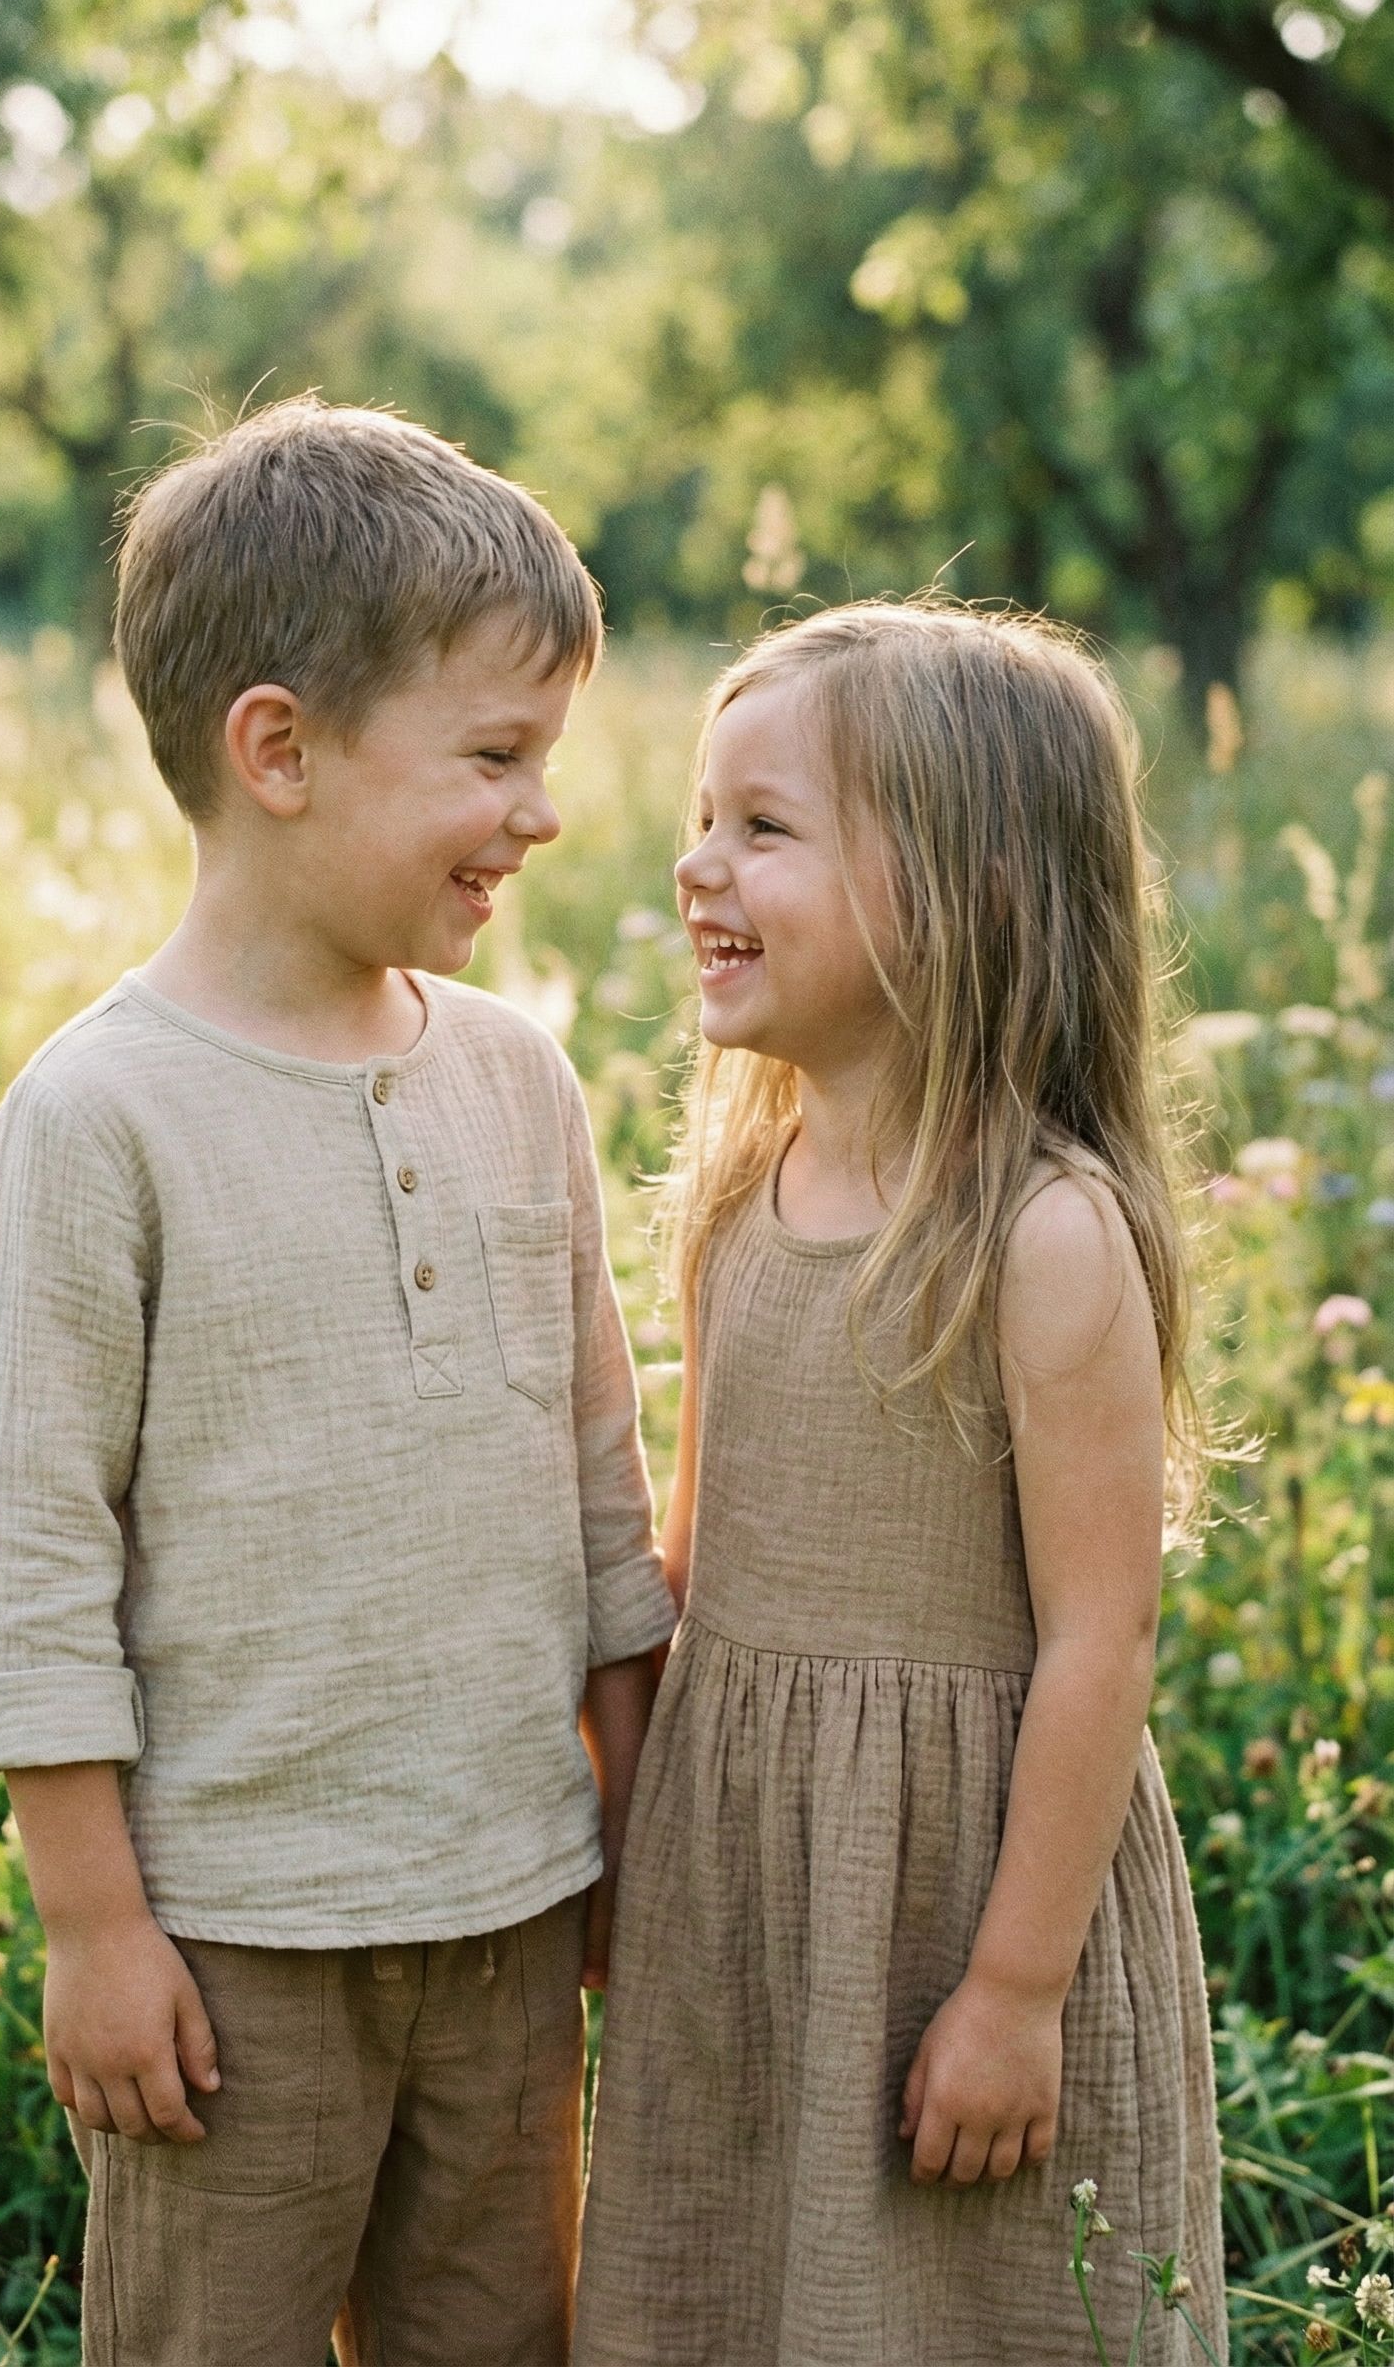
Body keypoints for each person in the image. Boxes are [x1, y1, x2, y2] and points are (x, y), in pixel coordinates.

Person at [0, 396, 675, 2367]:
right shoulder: (101, 1117)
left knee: (496, 2333)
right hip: (233, 1941)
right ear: (276, 747)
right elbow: (27, 1558)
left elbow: (603, 1489)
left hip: (515, 1903)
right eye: (496, 754)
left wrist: (626, 1817)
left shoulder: (518, 1076)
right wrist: (97, 1925)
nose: (540, 812)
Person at [574, 599, 1227, 2367]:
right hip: (749, 1884)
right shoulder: (736, 1201)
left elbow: (1103, 1634)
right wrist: (635, 1854)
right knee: (727, 2284)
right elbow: (699, 1560)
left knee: (960, 2306)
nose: (698, 868)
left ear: (963, 887)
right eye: (703, 818)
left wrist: (1014, 1993)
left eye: (763, 828)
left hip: (961, 1895)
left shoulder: (1042, 1235)